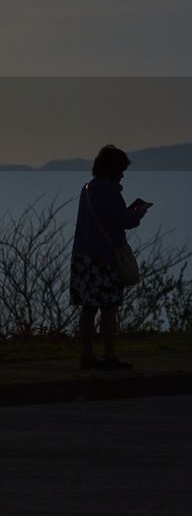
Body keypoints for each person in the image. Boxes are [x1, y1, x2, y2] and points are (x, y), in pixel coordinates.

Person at [72, 144, 150, 371]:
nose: (123, 174)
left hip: (81, 255)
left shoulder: (87, 188)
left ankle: (87, 356)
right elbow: (124, 221)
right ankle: (110, 356)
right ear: (114, 170)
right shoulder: (109, 191)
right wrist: (139, 212)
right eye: (121, 170)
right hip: (103, 258)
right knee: (108, 308)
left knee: (87, 309)